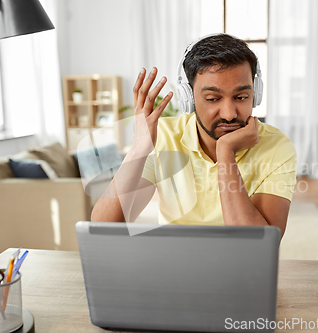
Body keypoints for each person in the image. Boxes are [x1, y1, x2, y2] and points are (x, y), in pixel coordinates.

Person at [91, 34, 296, 238]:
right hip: (175, 266)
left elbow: (256, 247)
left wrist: (225, 152)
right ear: (188, 99)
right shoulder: (163, 136)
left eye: (241, 97)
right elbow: (104, 230)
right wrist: (138, 148)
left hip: (240, 269)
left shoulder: (277, 146)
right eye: (213, 98)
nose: (229, 113)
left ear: (256, 94)